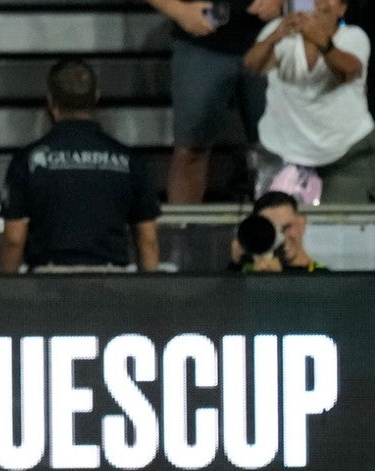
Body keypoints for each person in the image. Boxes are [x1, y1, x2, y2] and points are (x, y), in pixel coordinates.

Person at [0, 58, 161, 274]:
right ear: (96, 98)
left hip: (47, 281)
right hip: (110, 282)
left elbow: (13, 240)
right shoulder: (129, 160)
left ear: (50, 101)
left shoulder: (27, 161)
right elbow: (148, 240)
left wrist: (0, 291)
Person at [147, 0, 283, 203]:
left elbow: (315, 5)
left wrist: (286, 4)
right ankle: (182, 231)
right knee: (190, 150)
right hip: (201, 41)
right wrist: (179, 10)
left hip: (274, 41)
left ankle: (280, 230)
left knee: (280, 150)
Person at [244, 0, 375, 203]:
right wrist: (274, 37)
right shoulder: (279, 32)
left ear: (342, 9)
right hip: (283, 153)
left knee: (341, 230)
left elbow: (348, 71)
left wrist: (322, 41)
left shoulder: (353, 36)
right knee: (279, 229)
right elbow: (253, 65)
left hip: (345, 153)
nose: (319, 2)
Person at [228, 190, 327, 271]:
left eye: (287, 227)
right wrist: (236, 263)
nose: (281, 237)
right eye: (271, 230)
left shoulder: (320, 274)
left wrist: (278, 279)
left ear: (302, 223)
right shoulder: (248, 272)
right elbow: (221, 293)